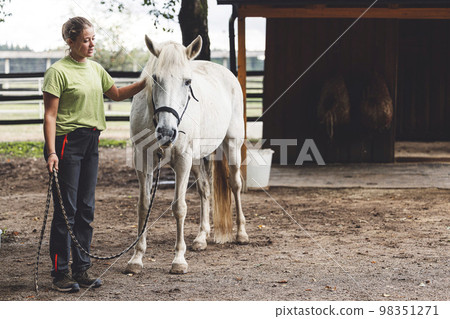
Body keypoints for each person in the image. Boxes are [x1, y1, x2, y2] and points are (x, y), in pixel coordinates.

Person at [43, 16, 146, 293]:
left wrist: (145, 82)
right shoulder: (57, 72)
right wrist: (52, 152)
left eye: (93, 39)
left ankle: (82, 268)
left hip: (91, 142)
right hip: (65, 143)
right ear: (70, 41)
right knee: (67, 210)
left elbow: (116, 94)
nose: (91, 45)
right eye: (86, 40)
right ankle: (60, 273)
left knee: (86, 208)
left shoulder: (96, 69)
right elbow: (50, 116)